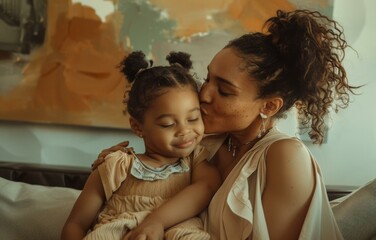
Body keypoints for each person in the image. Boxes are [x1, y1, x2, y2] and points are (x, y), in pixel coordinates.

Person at [92, 9, 359, 239]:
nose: (204, 94)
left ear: (268, 106)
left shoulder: (285, 156)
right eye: (208, 78)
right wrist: (117, 166)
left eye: (225, 91)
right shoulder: (204, 144)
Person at [61, 51, 221, 240]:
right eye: (168, 124)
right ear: (138, 127)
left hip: (178, 230)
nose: (185, 130)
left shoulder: (196, 160)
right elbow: (75, 224)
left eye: (193, 118)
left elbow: (207, 186)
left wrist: (157, 221)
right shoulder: (116, 165)